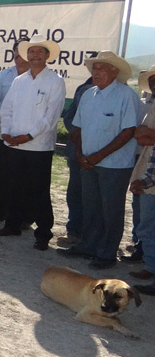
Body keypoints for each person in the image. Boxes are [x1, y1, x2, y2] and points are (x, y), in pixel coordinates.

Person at [57, 51, 139, 270]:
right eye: (94, 68)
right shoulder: (88, 95)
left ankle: (107, 253)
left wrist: (97, 156)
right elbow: (78, 128)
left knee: (111, 210)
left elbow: (129, 131)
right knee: (90, 206)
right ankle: (89, 246)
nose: (96, 72)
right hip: (87, 162)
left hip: (115, 165)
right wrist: (79, 153)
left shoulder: (126, 95)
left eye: (102, 68)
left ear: (115, 71)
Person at [0, 36, 66, 251]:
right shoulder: (19, 81)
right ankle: (12, 225)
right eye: (31, 52)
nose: (35, 55)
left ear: (47, 55)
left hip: (38, 146)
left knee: (39, 190)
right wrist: (6, 132)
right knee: (13, 187)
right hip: (14, 144)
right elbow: (7, 109)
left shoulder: (55, 81)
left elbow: (51, 116)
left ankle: (43, 234)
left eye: (39, 52)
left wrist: (29, 135)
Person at [0, 37, 30, 223]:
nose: (18, 56)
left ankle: (24, 218)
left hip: (27, 137)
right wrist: (6, 121)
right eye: (16, 52)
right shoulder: (4, 75)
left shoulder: (38, 77)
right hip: (5, 133)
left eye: (23, 52)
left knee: (25, 179)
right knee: (2, 174)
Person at [128, 65, 155, 288]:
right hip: (147, 167)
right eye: (152, 80)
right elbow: (142, 136)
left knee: (147, 224)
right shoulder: (151, 106)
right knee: (146, 222)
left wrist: (145, 179)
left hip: (150, 174)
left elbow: (146, 135)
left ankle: (150, 266)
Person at [59, 73, 95, 243]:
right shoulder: (83, 89)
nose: (97, 70)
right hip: (77, 150)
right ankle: (74, 228)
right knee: (75, 190)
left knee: (95, 195)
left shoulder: (122, 93)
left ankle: (91, 234)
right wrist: (75, 132)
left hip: (103, 153)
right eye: (95, 67)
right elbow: (69, 114)